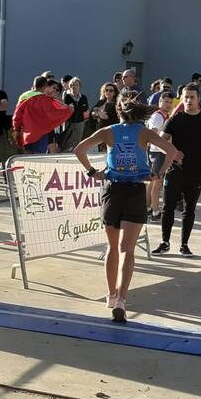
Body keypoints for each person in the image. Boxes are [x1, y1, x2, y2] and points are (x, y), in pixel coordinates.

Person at [75, 96, 181, 322]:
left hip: (112, 190)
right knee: (127, 249)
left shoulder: (108, 131)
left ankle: (111, 295)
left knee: (112, 247)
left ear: (118, 112)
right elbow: (171, 151)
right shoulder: (144, 132)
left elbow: (79, 149)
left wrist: (93, 172)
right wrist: (159, 173)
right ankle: (122, 299)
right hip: (134, 190)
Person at [154, 84, 201, 256]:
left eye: (192, 97)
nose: (188, 100)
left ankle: (184, 244)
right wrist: (172, 153)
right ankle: (164, 242)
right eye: (185, 97)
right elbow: (161, 142)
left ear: (198, 99)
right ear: (181, 99)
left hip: (196, 172)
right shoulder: (176, 119)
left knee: (189, 209)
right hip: (175, 171)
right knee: (168, 207)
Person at [11, 75, 73, 154]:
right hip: (42, 134)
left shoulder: (24, 97)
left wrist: (16, 129)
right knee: (39, 158)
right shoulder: (47, 100)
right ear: (45, 87)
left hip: (26, 133)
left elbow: (17, 115)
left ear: (34, 85)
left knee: (27, 157)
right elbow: (56, 112)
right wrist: (70, 109)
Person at [146, 89, 175, 220]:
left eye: (170, 102)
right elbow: (152, 133)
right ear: (160, 101)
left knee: (153, 182)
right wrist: (164, 148)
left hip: (159, 151)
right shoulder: (158, 116)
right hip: (158, 152)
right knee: (157, 182)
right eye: (166, 101)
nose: (168, 104)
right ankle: (155, 211)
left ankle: (147, 208)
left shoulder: (164, 115)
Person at [62, 77, 91, 150]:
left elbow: (85, 108)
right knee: (67, 141)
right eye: (72, 85)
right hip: (69, 122)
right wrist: (78, 108)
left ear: (79, 86)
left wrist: (75, 108)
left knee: (78, 141)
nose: (74, 87)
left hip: (80, 122)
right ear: (70, 87)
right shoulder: (67, 97)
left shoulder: (83, 97)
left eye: (76, 85)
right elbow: (67, 109)